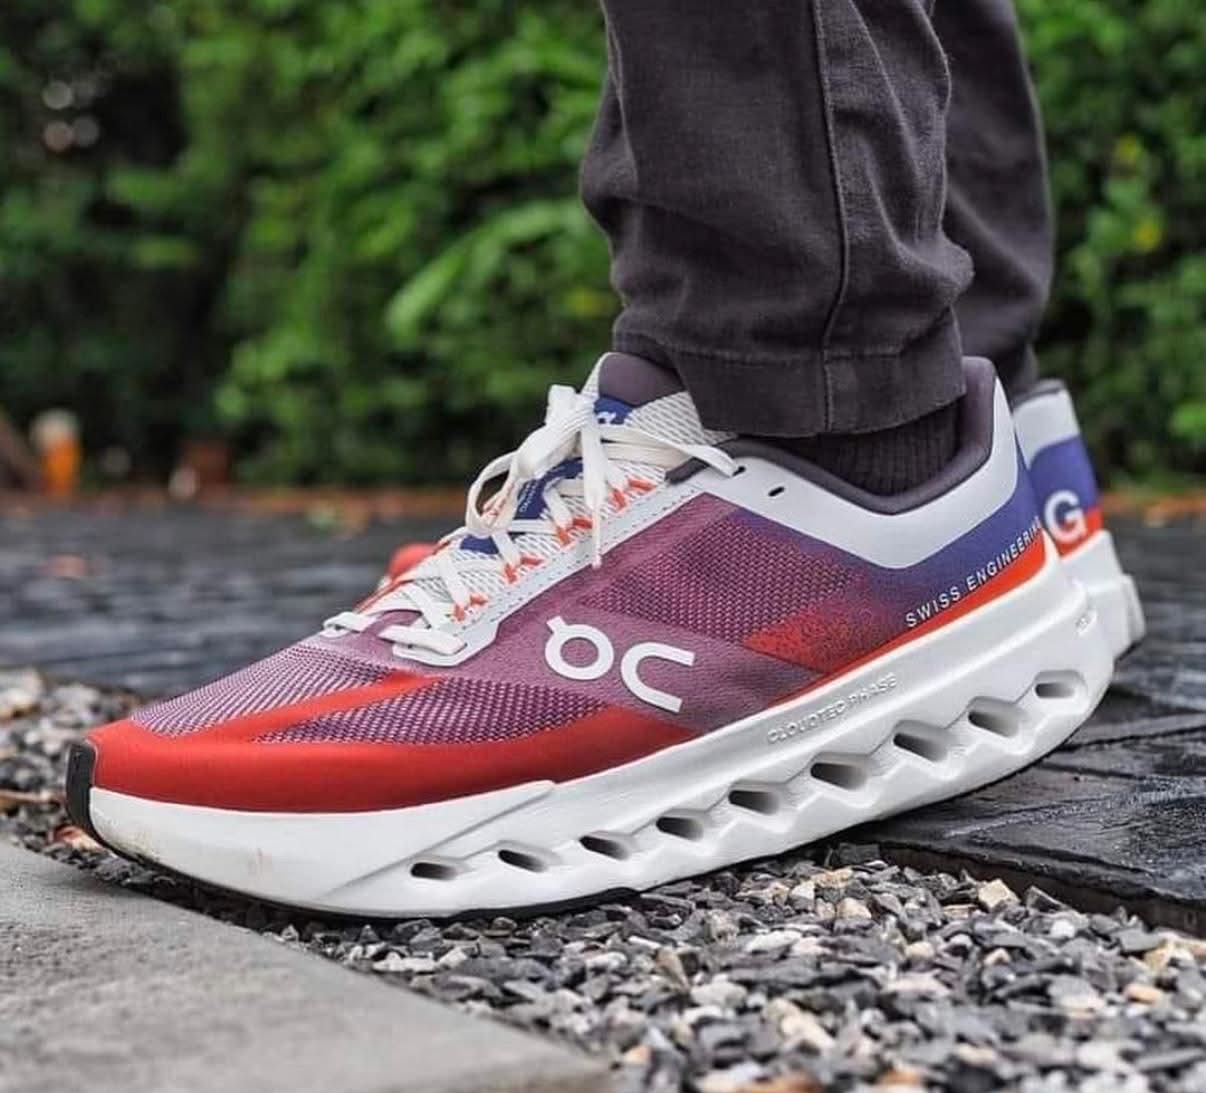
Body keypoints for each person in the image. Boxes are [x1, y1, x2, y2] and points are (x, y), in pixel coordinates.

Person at [66, 0, 1143, 918]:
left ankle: (819, 439)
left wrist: (825, 374)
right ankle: (960, 444)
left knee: (827, 376)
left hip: (820, 458)